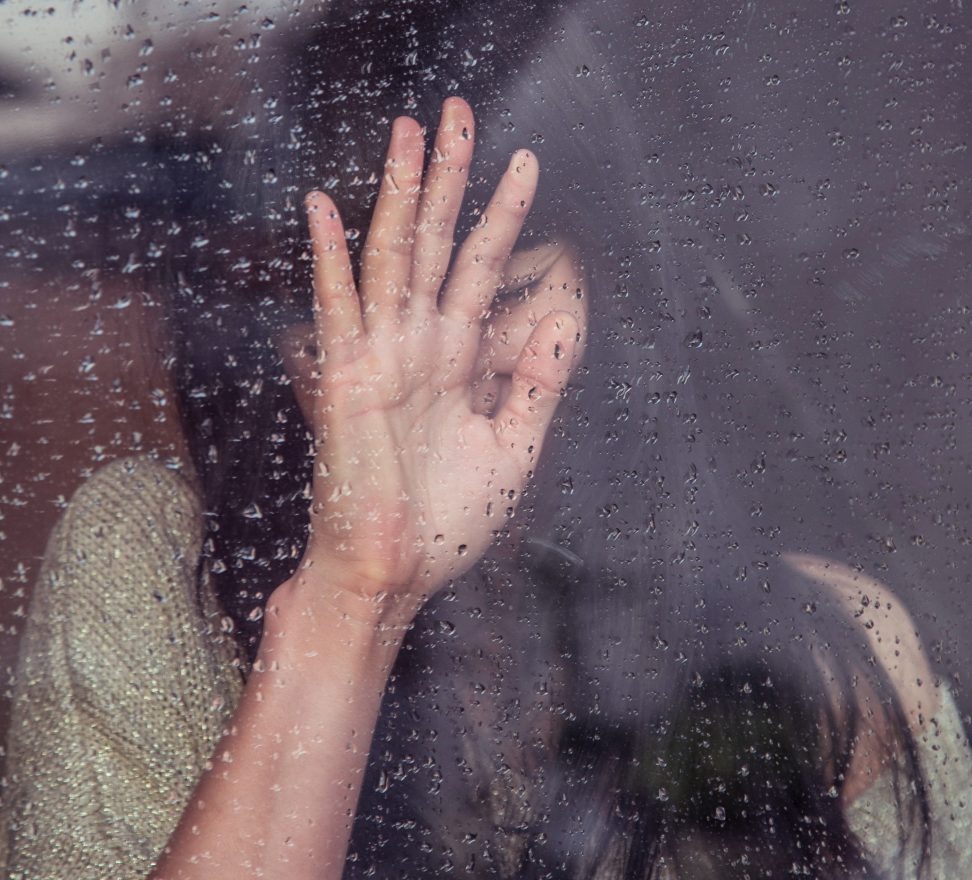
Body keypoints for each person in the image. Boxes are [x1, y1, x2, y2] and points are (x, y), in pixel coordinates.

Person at [2, 95, 971, 880]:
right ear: (278, 359)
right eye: (360, 326)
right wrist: (357, 595)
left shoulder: (814, 658)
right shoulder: (159, 571)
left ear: (615, 286)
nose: (438, 378)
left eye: (500, 297)